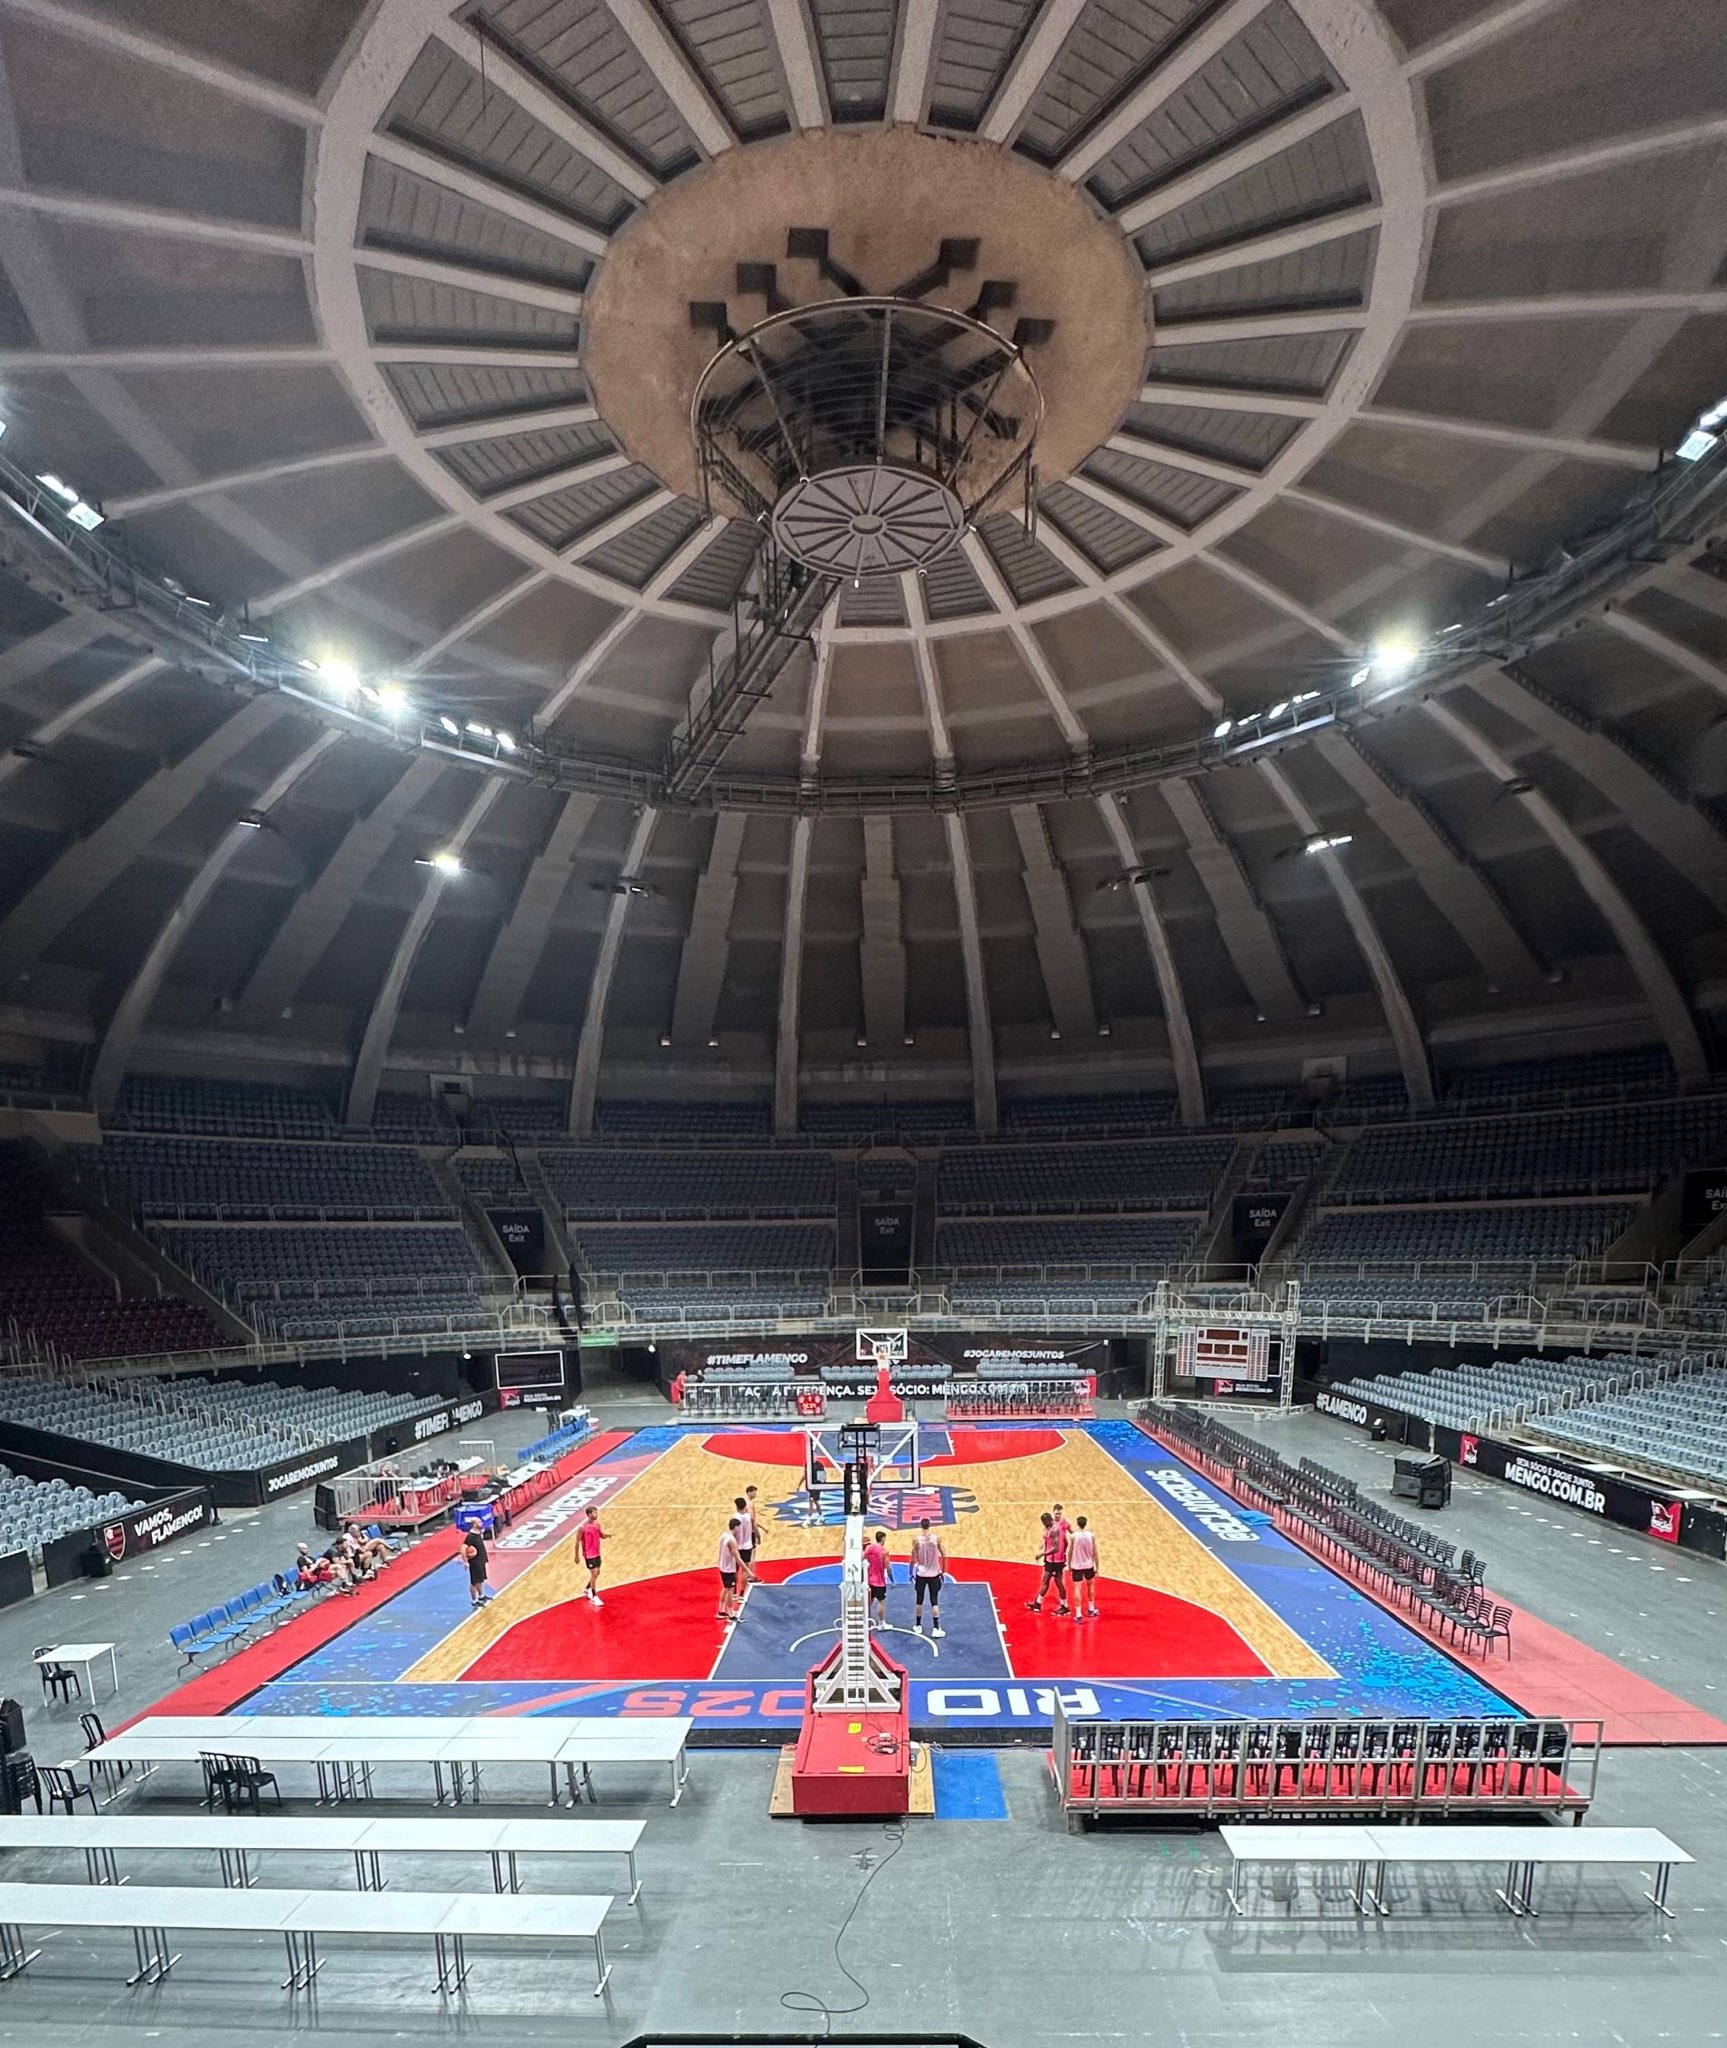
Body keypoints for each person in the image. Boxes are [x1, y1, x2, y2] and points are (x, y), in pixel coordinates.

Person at [1026, 1510, 1069, 1616]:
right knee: (1045, 1581)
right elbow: (1065, 1542)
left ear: (1048, 1521)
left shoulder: (1054, 1530)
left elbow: (1056, 1548)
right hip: (1050, 1560)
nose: (1043, 1524)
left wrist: (1042, 1554)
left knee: (1058, 1583)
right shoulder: (1049, 1528)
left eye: (1044, 1522)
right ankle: (1037, 1604)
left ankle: (1065, 1606)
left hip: (1056, 1562)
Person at [910, 1517, 946, 1638]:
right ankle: (936, 1628)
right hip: (934, 1574)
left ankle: (918, 1626)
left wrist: (910, 1572)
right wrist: (943, 1571)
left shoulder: (916, 1540)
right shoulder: (936, 1539)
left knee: (919, 1600)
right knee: (934, 1601)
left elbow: (912, 1558)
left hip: (921, 1574)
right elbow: (944, 1555)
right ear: (929, 1525)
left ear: (920, 1526)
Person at [1069, 1514, 1099, 1620]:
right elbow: (1095, 1552)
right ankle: (1091, 1609)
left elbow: (1070, 1551)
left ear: (1078, 1524)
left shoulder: (1073, 1536)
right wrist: (1097, 1566)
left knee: (1077, 1589)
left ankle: (1078, 1615)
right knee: (1090, 1586)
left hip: (1077, 1566)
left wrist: (1069, 1565)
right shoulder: (1091, 1535)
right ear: (1085, 1524)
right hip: (1089, 1565)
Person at [578, 1505, 607, 1606]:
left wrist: (606, 1536)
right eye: (594, 1513)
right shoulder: (583, 1527)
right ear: (589, 1514)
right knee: (594, 1573)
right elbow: (578, 1541)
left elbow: (600, 1534)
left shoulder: (597, 1524)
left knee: (597, 1573)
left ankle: (587, 1588)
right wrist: (577, 1555)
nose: (596, 1514)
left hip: (597, 1553)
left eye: (596, 1512)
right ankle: (594, 1596)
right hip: (589, 1554)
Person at [716, 1516, 743, 1621]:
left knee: (726, 1588)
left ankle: (721, 1610)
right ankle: (731, 1613)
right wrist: (748, 1570)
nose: (739, 1529)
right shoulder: (732, 1540)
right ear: (735, 1527)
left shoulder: (724, 1535)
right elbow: (738, 1558)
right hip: (728, 1568)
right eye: (739, 1527)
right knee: (730, 1590)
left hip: (722, 1566)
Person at [864, 1526, 890, 1627]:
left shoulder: (868, 1548)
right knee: (881, 1602)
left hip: (869, 1580)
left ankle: (863, 1621)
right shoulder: (884, 1551)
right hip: (879, 1582)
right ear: (883, 1539)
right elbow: (887, 1567)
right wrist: (892, 1579)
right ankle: (881, 1624)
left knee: (868, 1602)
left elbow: (863, 1559)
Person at [463, 1522, 491, 1608]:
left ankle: (481, 1596)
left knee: (480, 1580)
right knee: (474, 1582)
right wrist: (465, 1561)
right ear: (474, 1524)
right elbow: (463, 1548)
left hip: (480, 1560)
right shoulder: (470, 1536)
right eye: (479, 1522)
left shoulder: (478, 1533)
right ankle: (474, 1601)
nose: (481, 1523)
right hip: (475, 1562)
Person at [733, 1494, 756, 1589]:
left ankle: (734, 1591)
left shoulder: (734, 1517)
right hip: (747, 1546)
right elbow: (754, 1525)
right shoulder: (748, 1517)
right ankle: (742, 1592)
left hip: (737, 1546)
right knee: (745, 1570)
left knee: (735, 1569)